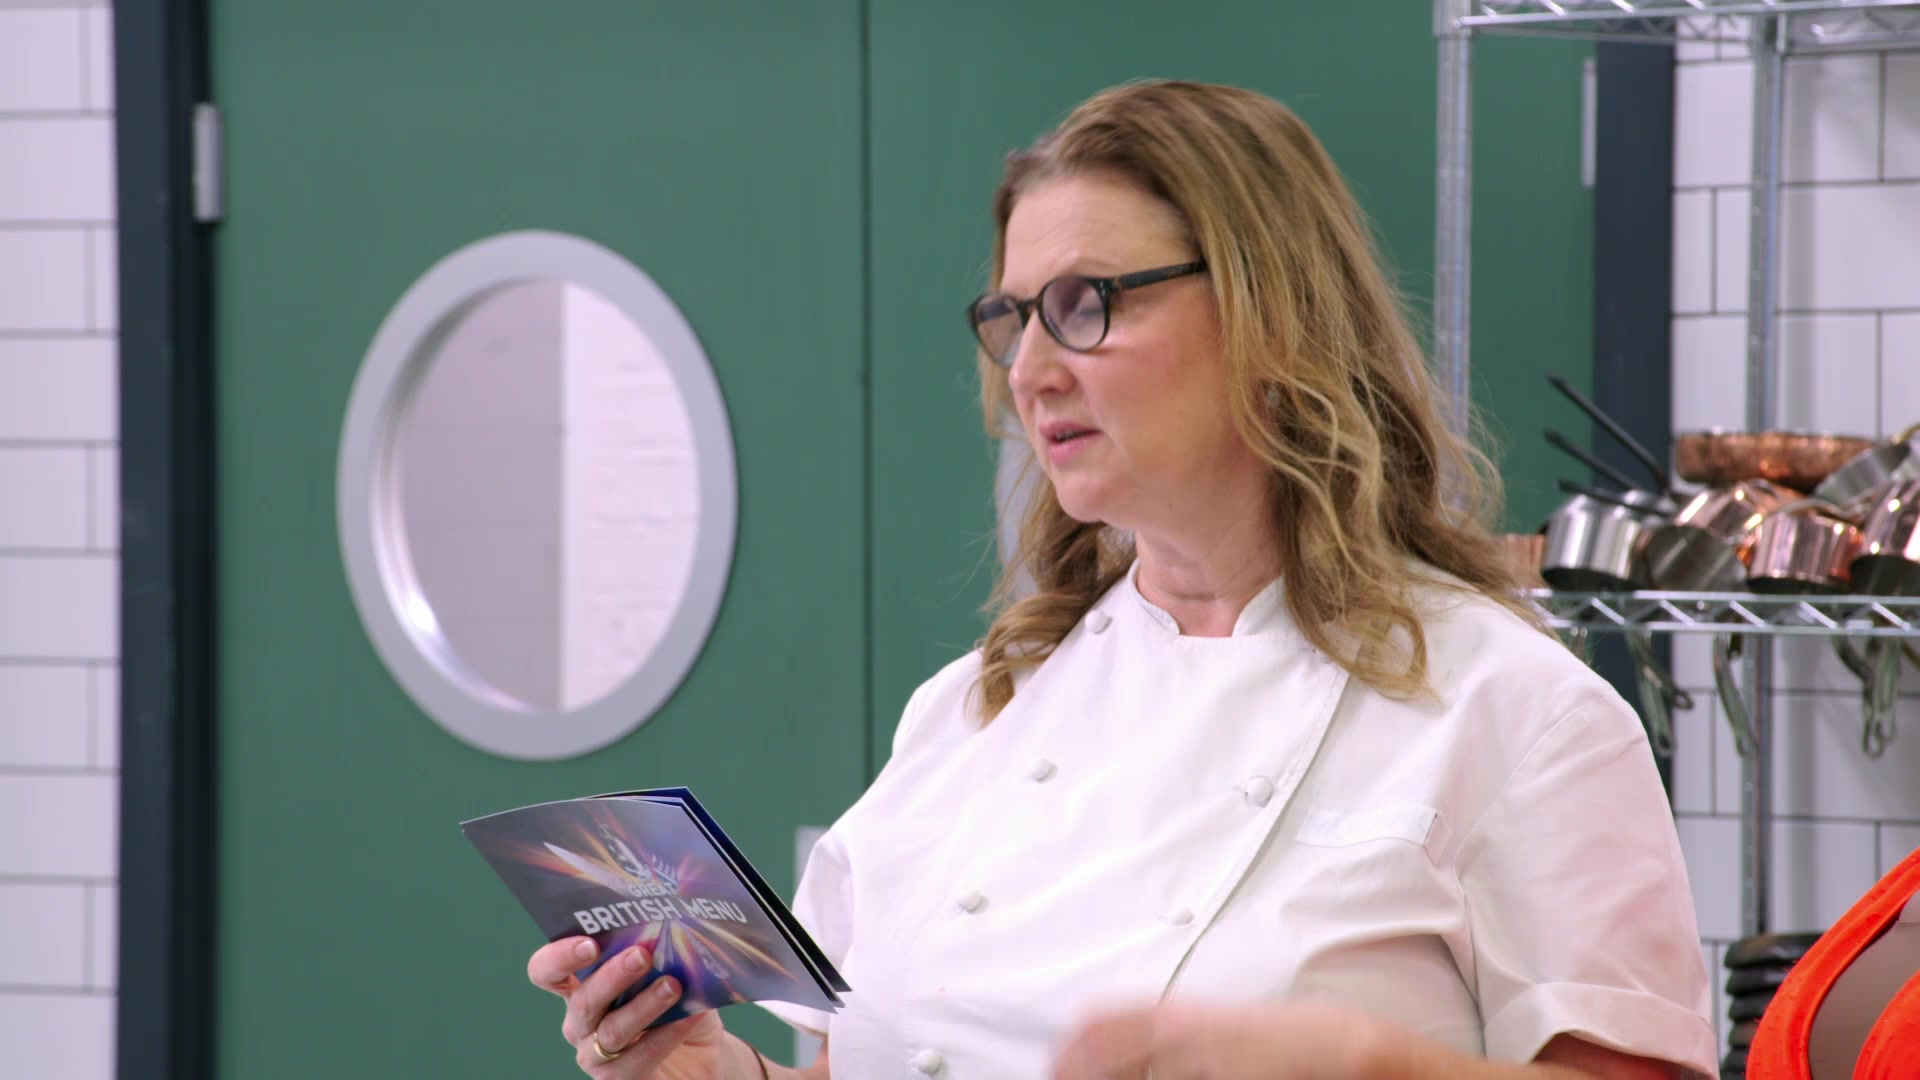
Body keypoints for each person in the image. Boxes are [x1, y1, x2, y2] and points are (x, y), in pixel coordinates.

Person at [526, 78, 1718, 1079]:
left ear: (1270, 311)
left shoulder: (1517, 714)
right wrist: (716, 1072)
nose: (1031, 370)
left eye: (1083, 305)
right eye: (1013, 317)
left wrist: (1371, 1065)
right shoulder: (975, 712)